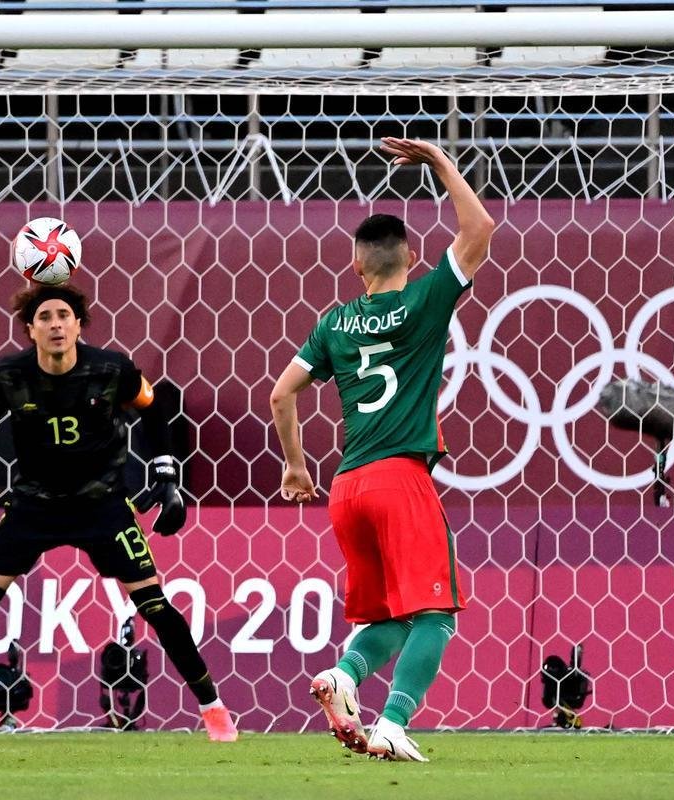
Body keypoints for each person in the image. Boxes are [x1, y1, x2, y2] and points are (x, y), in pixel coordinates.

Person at [0, 282, 238, 742]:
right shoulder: (9, 374)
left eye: (64, 315)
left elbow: (153, 406)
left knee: (155, 606)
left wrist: (166, 476)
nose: (56, 324)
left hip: (102, 504)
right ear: (30, 329)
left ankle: (213, 707)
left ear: (79, 324)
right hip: (33, 505)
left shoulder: (110, 368)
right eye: (45, 317)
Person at [269, 137, 494, 761]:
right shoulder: (426, 298)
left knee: (392, 617)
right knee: (439, 611)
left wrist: (295, 465)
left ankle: (343, 678)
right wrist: (440, 163)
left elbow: (281, 396)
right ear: (412, 255)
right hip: (400, 478)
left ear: (355, 264)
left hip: (346, 487)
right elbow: (480, 228)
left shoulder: (335, 321)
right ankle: (394, 724)